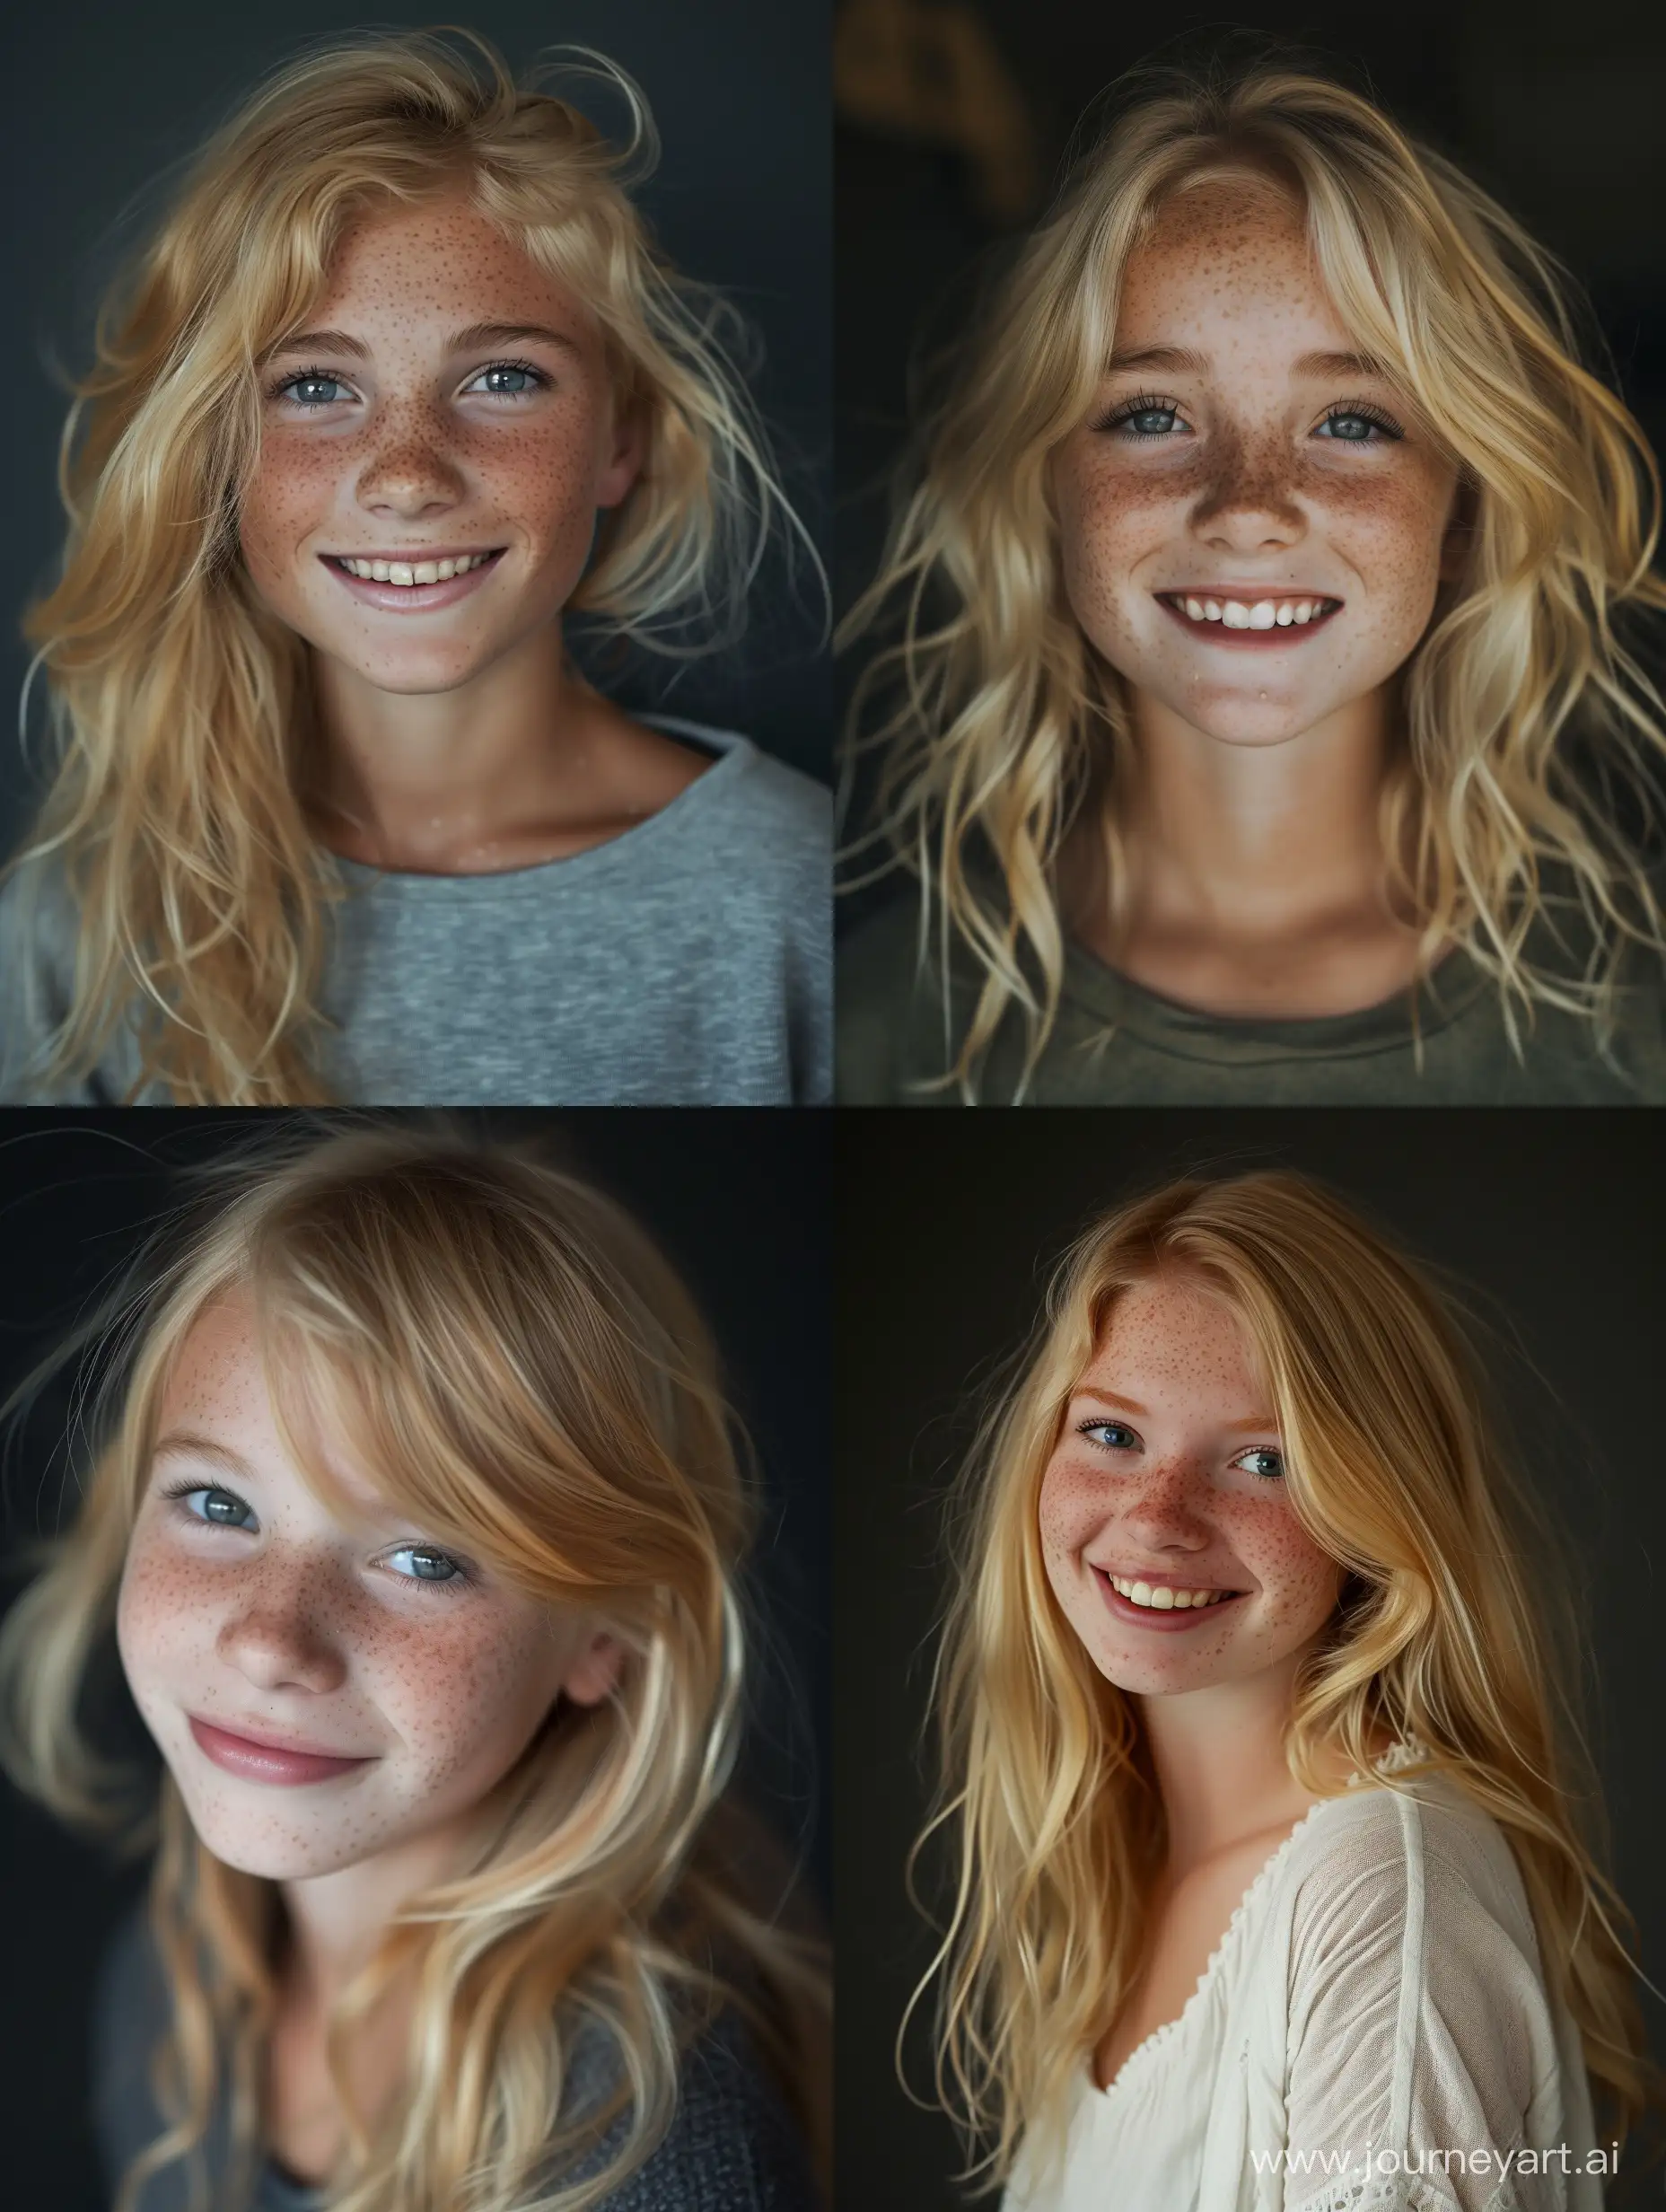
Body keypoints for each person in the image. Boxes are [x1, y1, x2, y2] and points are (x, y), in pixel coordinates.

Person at [0, 1121, 828, 2211]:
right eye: (218, 1504)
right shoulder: (168, 1992)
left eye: (423, 1558)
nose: (269, 1639)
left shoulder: (651, 2150)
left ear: (604, 1636)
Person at [2, 30, 830, 1106]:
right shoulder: (82, 920)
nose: (404, 478)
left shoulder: (793, 896)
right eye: (313, 388)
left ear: (619, 439)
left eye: (499, 376)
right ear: (212, 450)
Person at [837, 64, 1666, 1103]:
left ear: (1459, 512)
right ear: (1048, 493)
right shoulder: (868, 1027)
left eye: (1351, 423)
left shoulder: (1636, 1013)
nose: (1246, 507)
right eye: (1151, 416)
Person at [911, 1171, 1660, 2208]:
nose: (1159, 1517)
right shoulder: (1121, 1875)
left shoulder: (1382, 1896)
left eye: (1263, 1459)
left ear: (1375, 1508)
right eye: (1113, 1433)